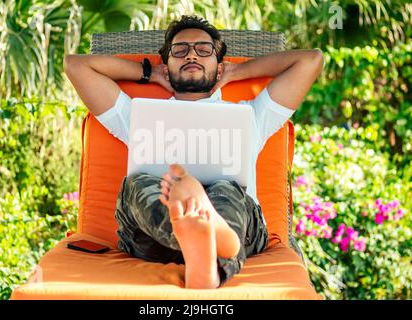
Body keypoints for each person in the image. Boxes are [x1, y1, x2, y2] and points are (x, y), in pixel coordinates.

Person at [64, 15, 323, 289]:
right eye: (180, 50)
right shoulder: (138, 114)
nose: (191, 55)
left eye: (203, 50)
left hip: (236, 219)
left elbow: (311, 60)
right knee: (138, 184)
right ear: (167, 66)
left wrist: (236, 71)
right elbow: (76, 65)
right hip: (153, 235)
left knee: (226, 187)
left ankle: (210, 240)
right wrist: (149, 73)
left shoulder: (251, 114)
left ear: (219, 66)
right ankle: (204, 239)